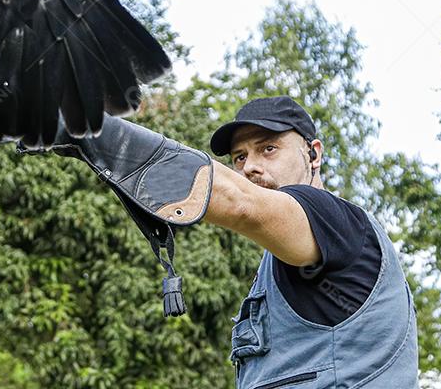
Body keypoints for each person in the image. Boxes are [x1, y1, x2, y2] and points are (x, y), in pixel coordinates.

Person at [43, 95, 418, 388]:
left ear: (313, 153)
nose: (250, 166)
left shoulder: (332, 217)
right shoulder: (286, 256)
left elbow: (242, 205)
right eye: (240, 157)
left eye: (268, 148)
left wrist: (88, 131)